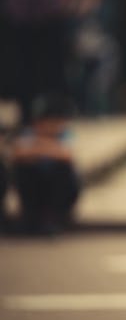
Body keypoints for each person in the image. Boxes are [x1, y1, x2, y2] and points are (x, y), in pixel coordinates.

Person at [9, 94, 80, 235]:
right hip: (36, 188)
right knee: (24, 169)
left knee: (62, 170)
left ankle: (52, 219)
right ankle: (30, 217)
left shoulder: (65, 134)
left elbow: (67, 155)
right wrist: (50, 148)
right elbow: (18, 153)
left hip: (60, 191)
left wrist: (39, 147)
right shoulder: (28, 133)